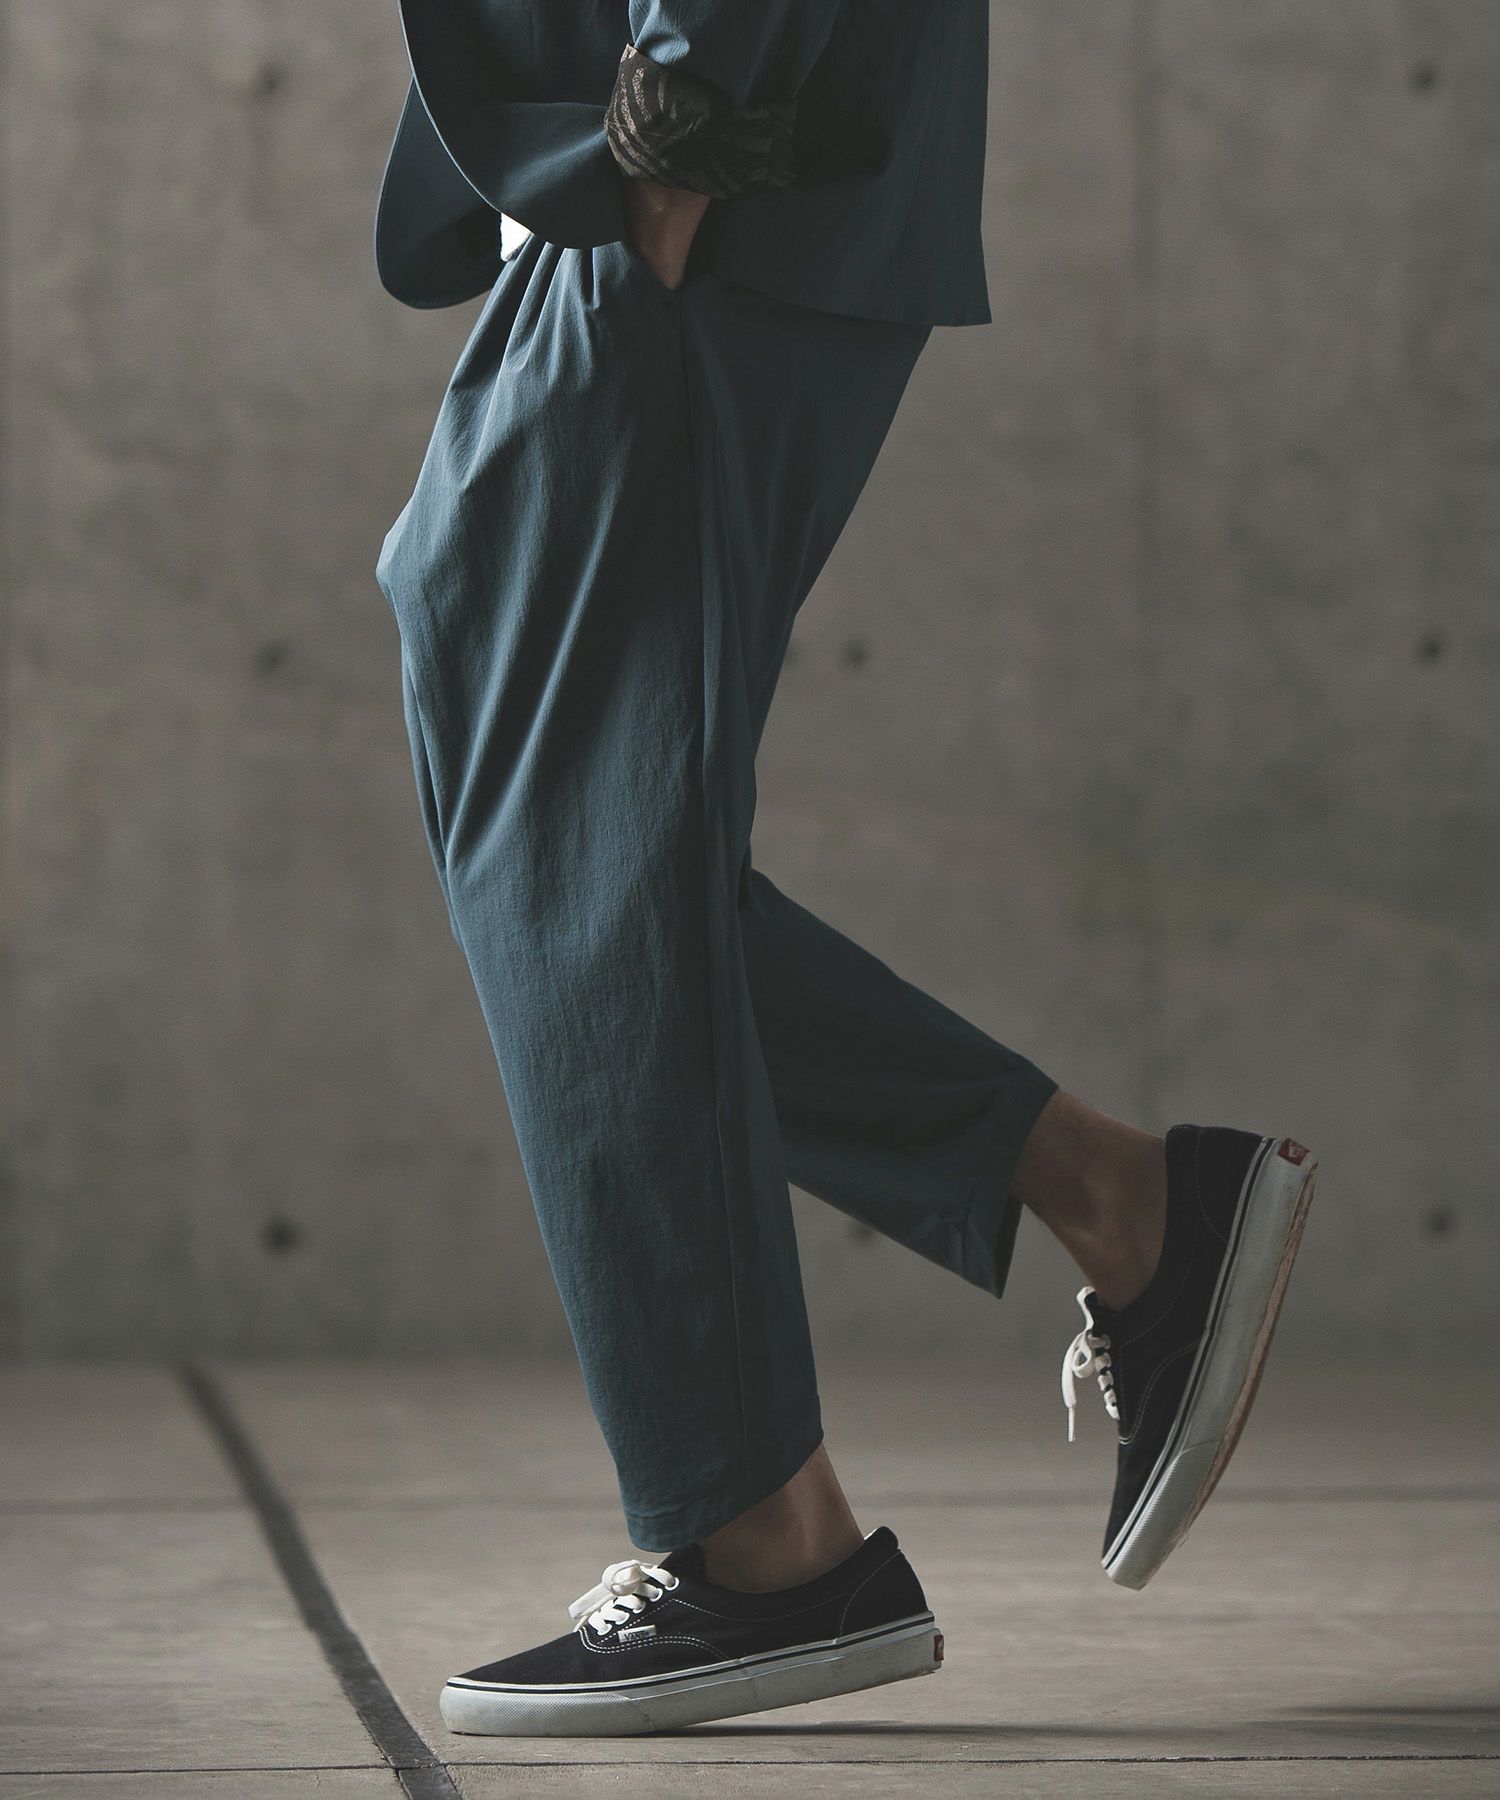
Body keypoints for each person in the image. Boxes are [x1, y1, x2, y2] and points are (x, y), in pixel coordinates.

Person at [372, 1, 1319, 1738]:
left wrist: (679, 114)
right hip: (636, 189)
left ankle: (764, 1541)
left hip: (697, 181)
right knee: (581, 866)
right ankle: (1126, 1204)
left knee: (578, 864)